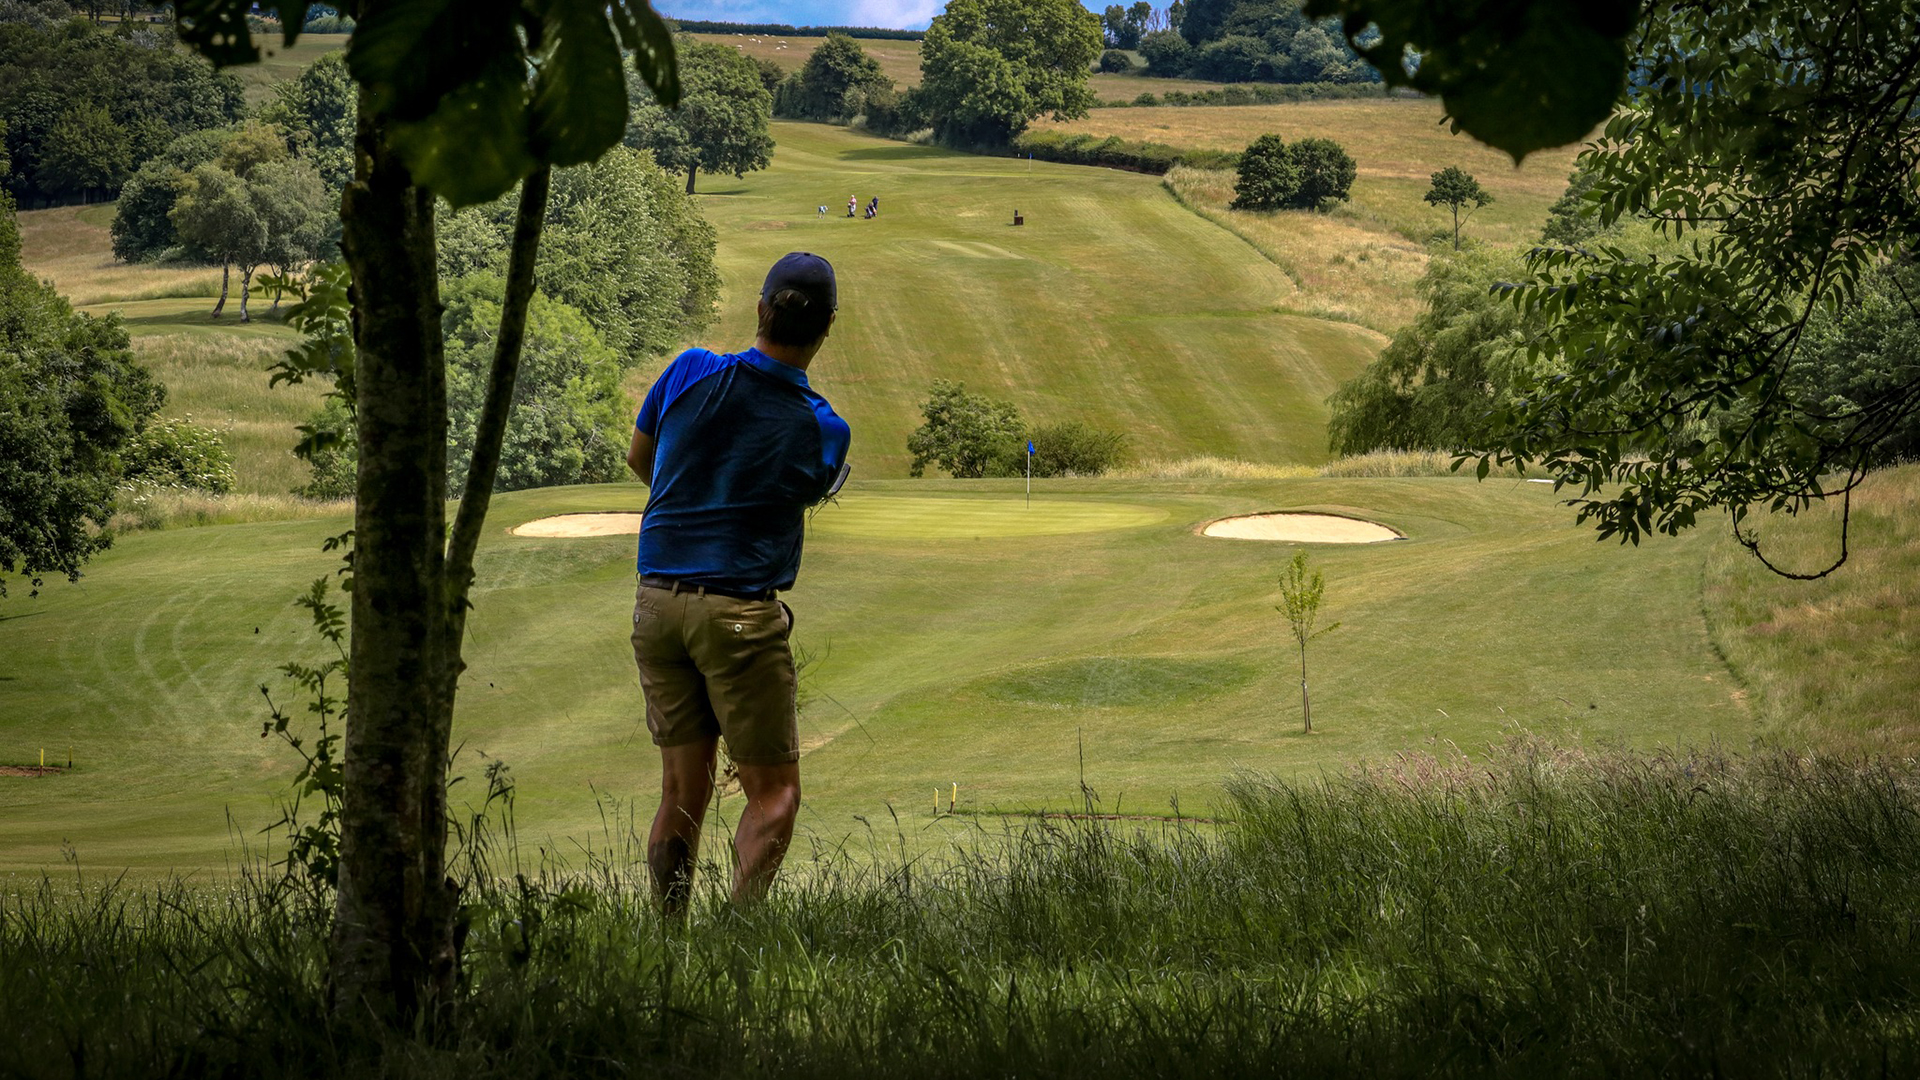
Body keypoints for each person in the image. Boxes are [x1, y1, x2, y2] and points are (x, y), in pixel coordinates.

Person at [625, 252, 852, 915]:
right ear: (827, 326)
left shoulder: (688, 369)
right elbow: (800, 494)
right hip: (739, 618)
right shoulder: (824, 428)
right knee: (774, 793)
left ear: (761, 308)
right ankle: (737, 941)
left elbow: (643, 459)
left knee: (680, 792)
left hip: (655, 604)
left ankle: (670, 942)